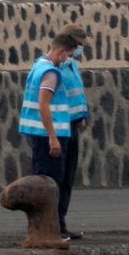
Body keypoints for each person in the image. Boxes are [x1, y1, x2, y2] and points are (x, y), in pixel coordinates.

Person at [17, 27, 86, 242]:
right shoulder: (52, 70)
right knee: (49, 181)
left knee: (63, 178)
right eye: (75, 49)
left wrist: (81, 114)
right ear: (64, 48)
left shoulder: (65, 65)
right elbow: (44, 104)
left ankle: (58, 225)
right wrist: (53, 137)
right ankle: (48, 229)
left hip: (67, 126)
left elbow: (73, 96)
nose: (76, 54)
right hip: (51, 131)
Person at [58, 31, 90, 240]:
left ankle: (61, 221)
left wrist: (83, 115)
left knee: (68, 177)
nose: (80, 49)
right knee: (57, 177)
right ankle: (54, 224)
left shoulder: (73, 66)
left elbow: (77, 93)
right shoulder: (56, 66)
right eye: (78, 45)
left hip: (73, 124)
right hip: (60, 126)